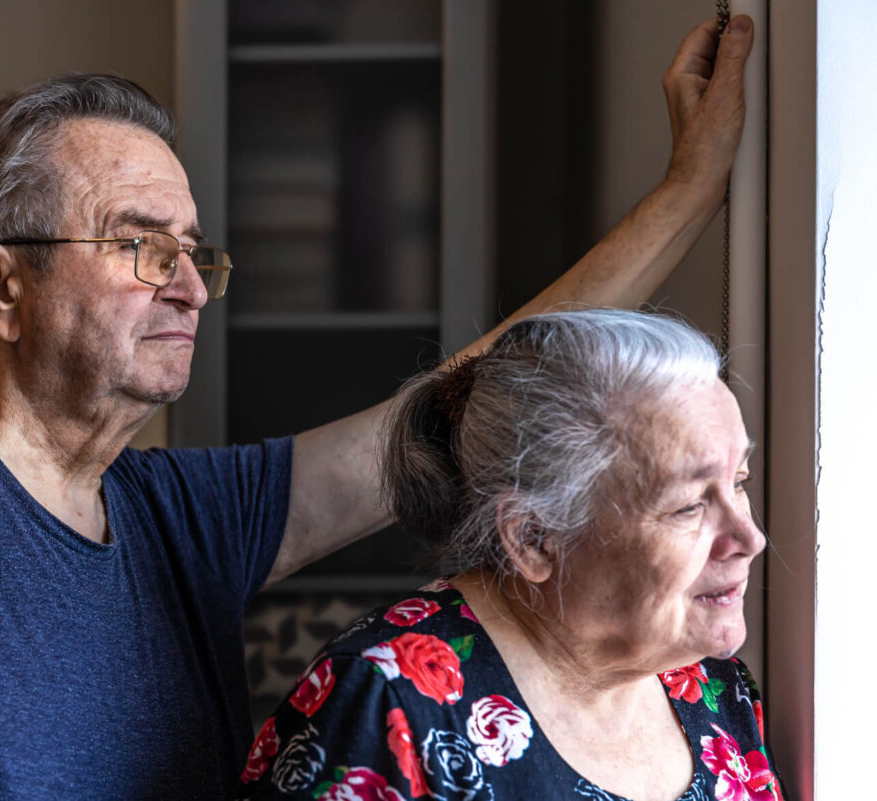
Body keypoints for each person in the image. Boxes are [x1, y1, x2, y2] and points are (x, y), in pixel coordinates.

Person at [0, 15, 754, 801]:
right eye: (140, 246)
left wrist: (690, 189)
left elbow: (469, 390)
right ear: (1, 284)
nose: (191, 290)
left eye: (193, 254)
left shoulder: (178, 516)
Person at [237, 309, 781, 801]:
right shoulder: (388, 702)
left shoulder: (714, 687)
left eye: (738, 482)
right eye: (688, 506)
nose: (749, 537)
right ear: (534, 539)